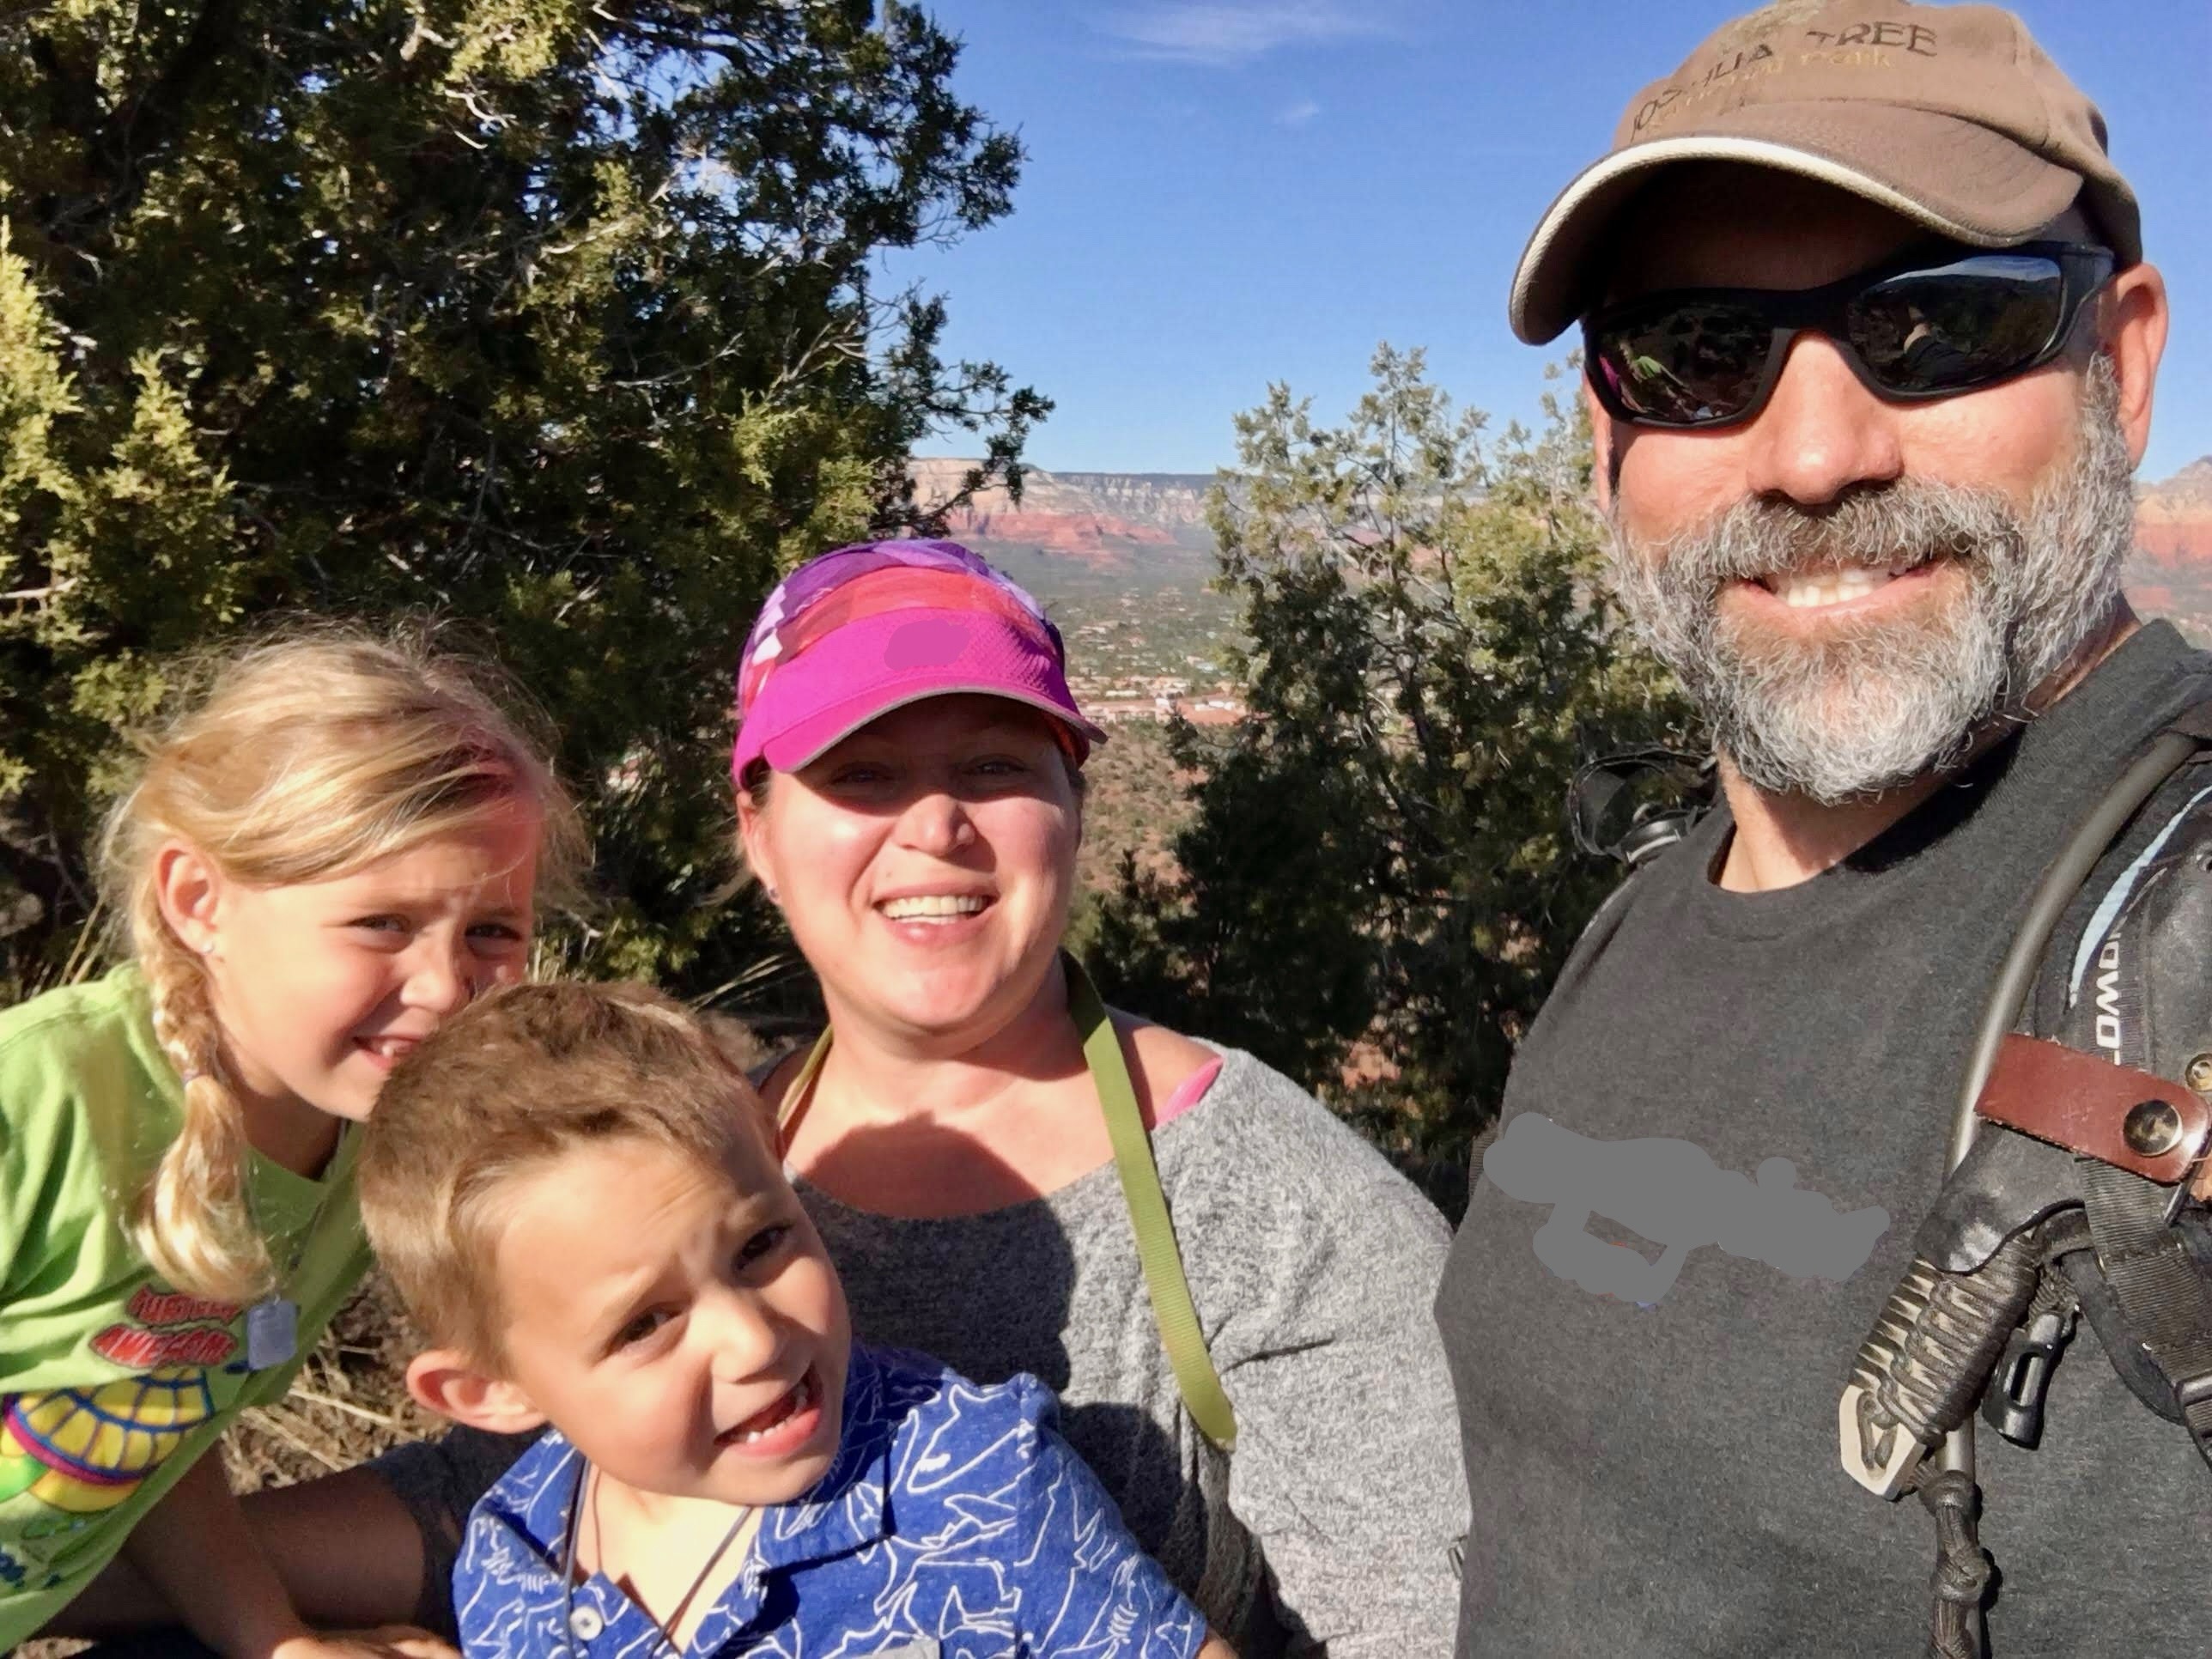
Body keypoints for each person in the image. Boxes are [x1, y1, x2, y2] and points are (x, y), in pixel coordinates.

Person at [1435, 1, 2207, 1654]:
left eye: (1942, 322)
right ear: (1607, 435)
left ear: (2123, 361)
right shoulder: (1646, 913)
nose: (1810, 457)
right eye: (1697, 351)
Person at [1, 629, 582, 1657]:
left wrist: (275, 1638)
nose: (445, 986)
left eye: (491, 933)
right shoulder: (42, 1101)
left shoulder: (362, 1145)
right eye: (382, 923)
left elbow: (161, 1428)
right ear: (199, 902)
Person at [357, 978, 1236, 1659]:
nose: (751, 1340)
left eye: (761, 1245)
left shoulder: (975, 1479)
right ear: (491, 1390)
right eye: (645, 1324)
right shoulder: (511, 1560)